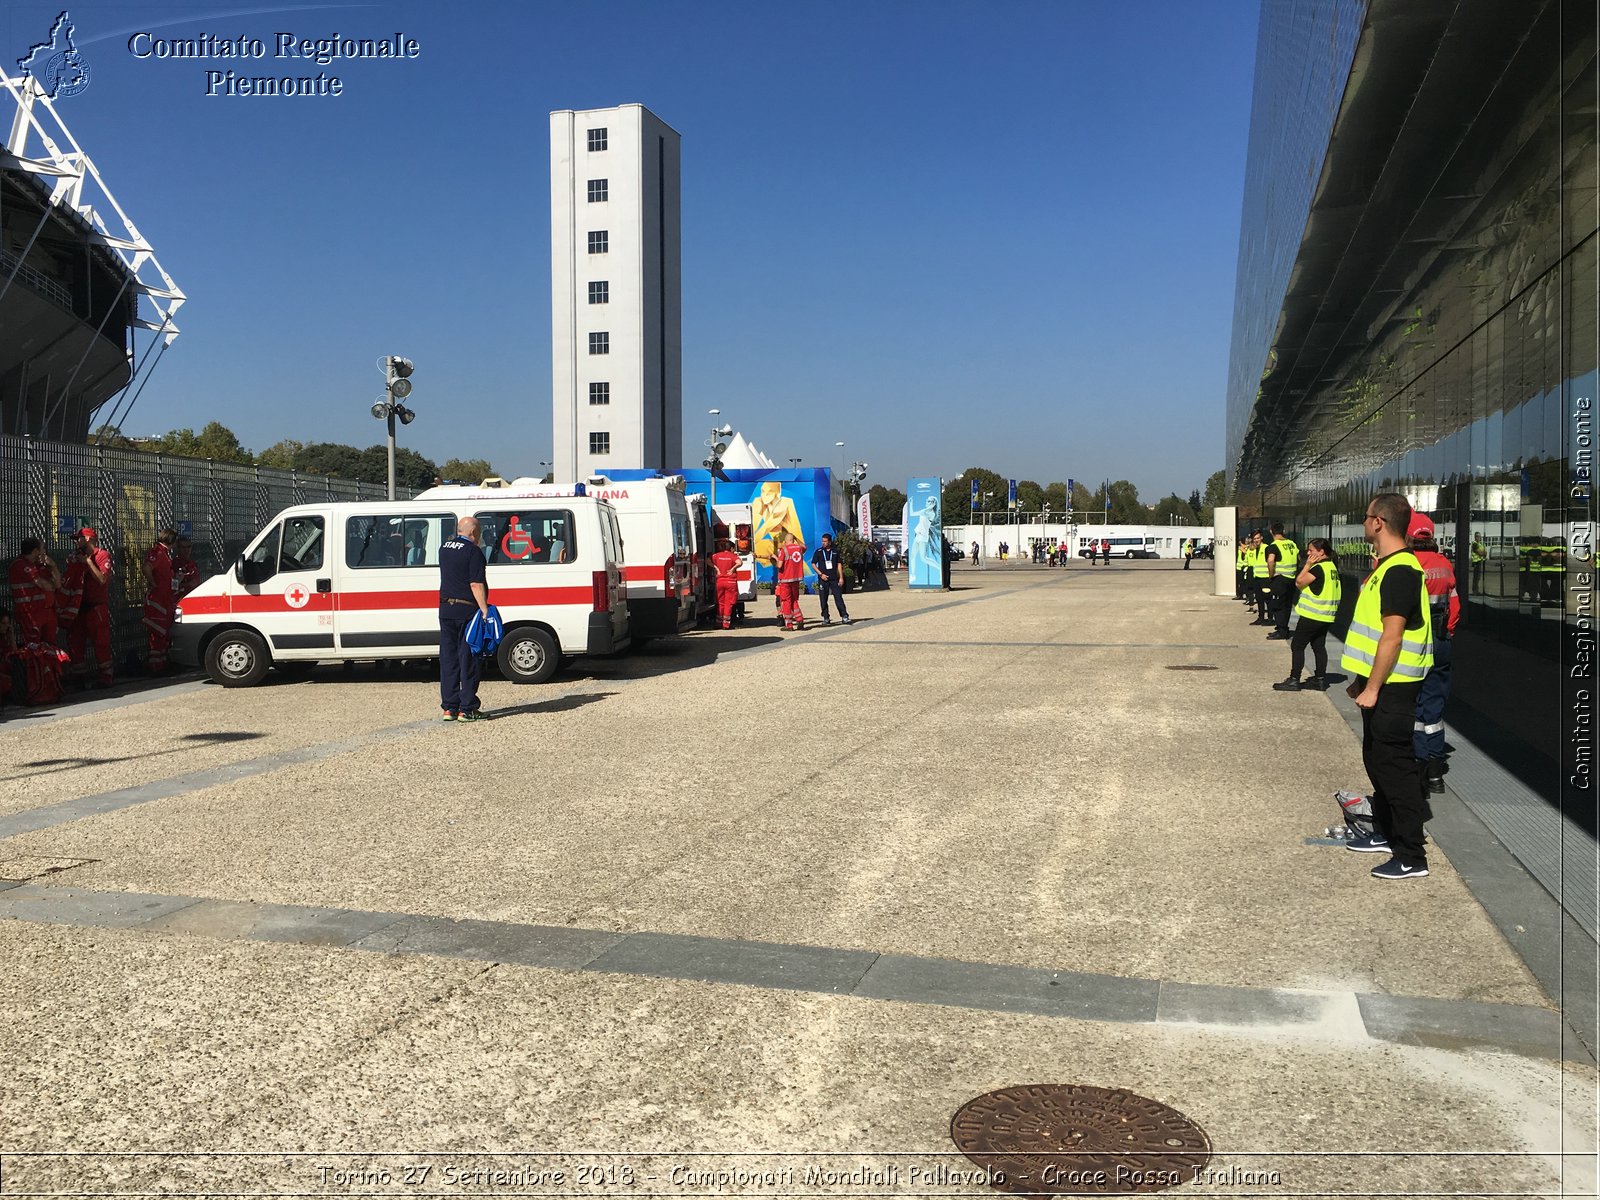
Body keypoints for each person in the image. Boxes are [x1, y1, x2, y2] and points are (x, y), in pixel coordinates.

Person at [1342, 493, 1433, 880]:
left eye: (1365, 518)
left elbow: (1392, 638)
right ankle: (1385, 832)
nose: (1363, 524)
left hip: (1394, 690)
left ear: (1378, 522)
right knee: (1377, 762)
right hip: (1380, 686)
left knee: (1394, 769)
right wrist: (1362, 681)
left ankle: (1411, 856)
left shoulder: (1400, 571)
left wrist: (1373, 688)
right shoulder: (1387, 567)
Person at [1408, 513, 1460, 794]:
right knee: (1434, 705)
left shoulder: (1406, 564)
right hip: (1441, 639)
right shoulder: (1443, 564)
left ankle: (1419, 764)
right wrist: (1447, 633)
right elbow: (1455, 605)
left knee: (1414, 705)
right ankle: (1436, 771)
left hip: (1415, 641)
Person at [438, 515, 490, 721]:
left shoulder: (444, 548)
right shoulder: (473, 551)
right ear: (473, 532)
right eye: (478, 533)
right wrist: (485, 610)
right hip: (467, 611)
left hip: (445, 610)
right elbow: (475, 584)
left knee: (449, 660)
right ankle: (467, 708)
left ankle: (449, 708)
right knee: (468, 658)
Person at [1274, 538, 1340, 691]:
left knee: (1297, 645)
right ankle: (1320, 679)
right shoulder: (1332, 567)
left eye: (1311, 550)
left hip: (1313, 614)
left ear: (1321, 552)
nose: (1308, 553)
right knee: (1318, 646)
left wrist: (1307, 565)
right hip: (1327, 615)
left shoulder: (1318, 568)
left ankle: (1294, 679)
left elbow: (1299, 582)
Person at [66, 527, 114, 688]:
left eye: (78, 538)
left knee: (101, 643)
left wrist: (87, 562)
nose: (76, 542)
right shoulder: (75, 557)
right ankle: (78, 677)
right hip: (78, 607)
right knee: (75, 643)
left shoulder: (102, 555)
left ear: (87, 539)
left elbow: (102, 579)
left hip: (96, 607)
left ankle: (105, 677)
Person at [8, 537, 61, 649]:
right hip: (30, 613)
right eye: (42, 549)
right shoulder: (20, 565)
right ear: (35, 551)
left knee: (50, 647)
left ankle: (48, 666)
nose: (44, 552)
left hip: (46, 611)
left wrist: (53, 566)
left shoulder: (41, 566)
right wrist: (51, 586)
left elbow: (58, 584)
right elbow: (44, 585)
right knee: (34, 648)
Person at [141, 527, 179, 674]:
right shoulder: (157, 552)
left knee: (162, 635)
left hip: (164, 600)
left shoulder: (164, 554)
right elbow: (146, 567)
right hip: (157, 600)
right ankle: (157, 667)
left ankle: (162, 665)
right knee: (157, 635)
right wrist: (153, 582)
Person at [1264, 521, 1299, 639]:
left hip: (1280, 579)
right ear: (1283, 531)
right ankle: (1283, 628)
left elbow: (1270, 560)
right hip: (1291, 578)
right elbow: (1298, 558)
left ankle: (1281, 630)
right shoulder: (1292, 544)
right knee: (1287, 605)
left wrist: (1271, 575)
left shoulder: (1274, 546)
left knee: (1277, 605)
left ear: (1271, 531)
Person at [811, 533, 852, 626]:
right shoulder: (819, 551)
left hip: (834, 579)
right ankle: (826, 617)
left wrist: (841, 577)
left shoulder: (835, 551)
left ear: (829, 542)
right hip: (823, 579)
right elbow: (813, 564)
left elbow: (839, 564)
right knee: (823, 599)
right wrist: (821, 574)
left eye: (825, 541)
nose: (823, 543)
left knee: (838, 597)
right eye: (822, 541)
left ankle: (844, 616)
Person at [774, 531, 806, 630]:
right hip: (796, 579)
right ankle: (799, 619)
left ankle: (789, 625)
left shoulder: (783, 550)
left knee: (786, 601)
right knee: (794, 600)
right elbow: (804, 546)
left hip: (785, 579)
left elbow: (779, 565)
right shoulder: (799, 548)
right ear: (793, 540)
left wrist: (775, 558)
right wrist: (796, 539)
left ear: (785, 541)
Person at [710, 537, 740, 630]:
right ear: (730, 548)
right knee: (729, 603)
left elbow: (707, 560)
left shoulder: (717, 555)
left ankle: (718, 622)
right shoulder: (732, 556)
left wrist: (716, 568)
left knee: (720, 602)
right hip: (730, 582)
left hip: (720, 581)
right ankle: (726, 624)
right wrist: (732, 569)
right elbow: (739, 562)